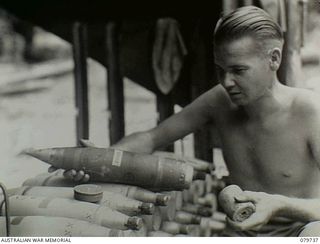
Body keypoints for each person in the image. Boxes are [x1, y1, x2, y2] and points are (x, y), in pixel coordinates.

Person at [57, 6, 320, 236]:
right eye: (221, 70)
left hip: (299, 233)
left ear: (274, 59)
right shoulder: (219, 100)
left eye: (239, 70)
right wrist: (98, 159)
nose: (226, 82)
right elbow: (152, 138)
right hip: (239, 235)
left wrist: (279, 205)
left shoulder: (310, 111)